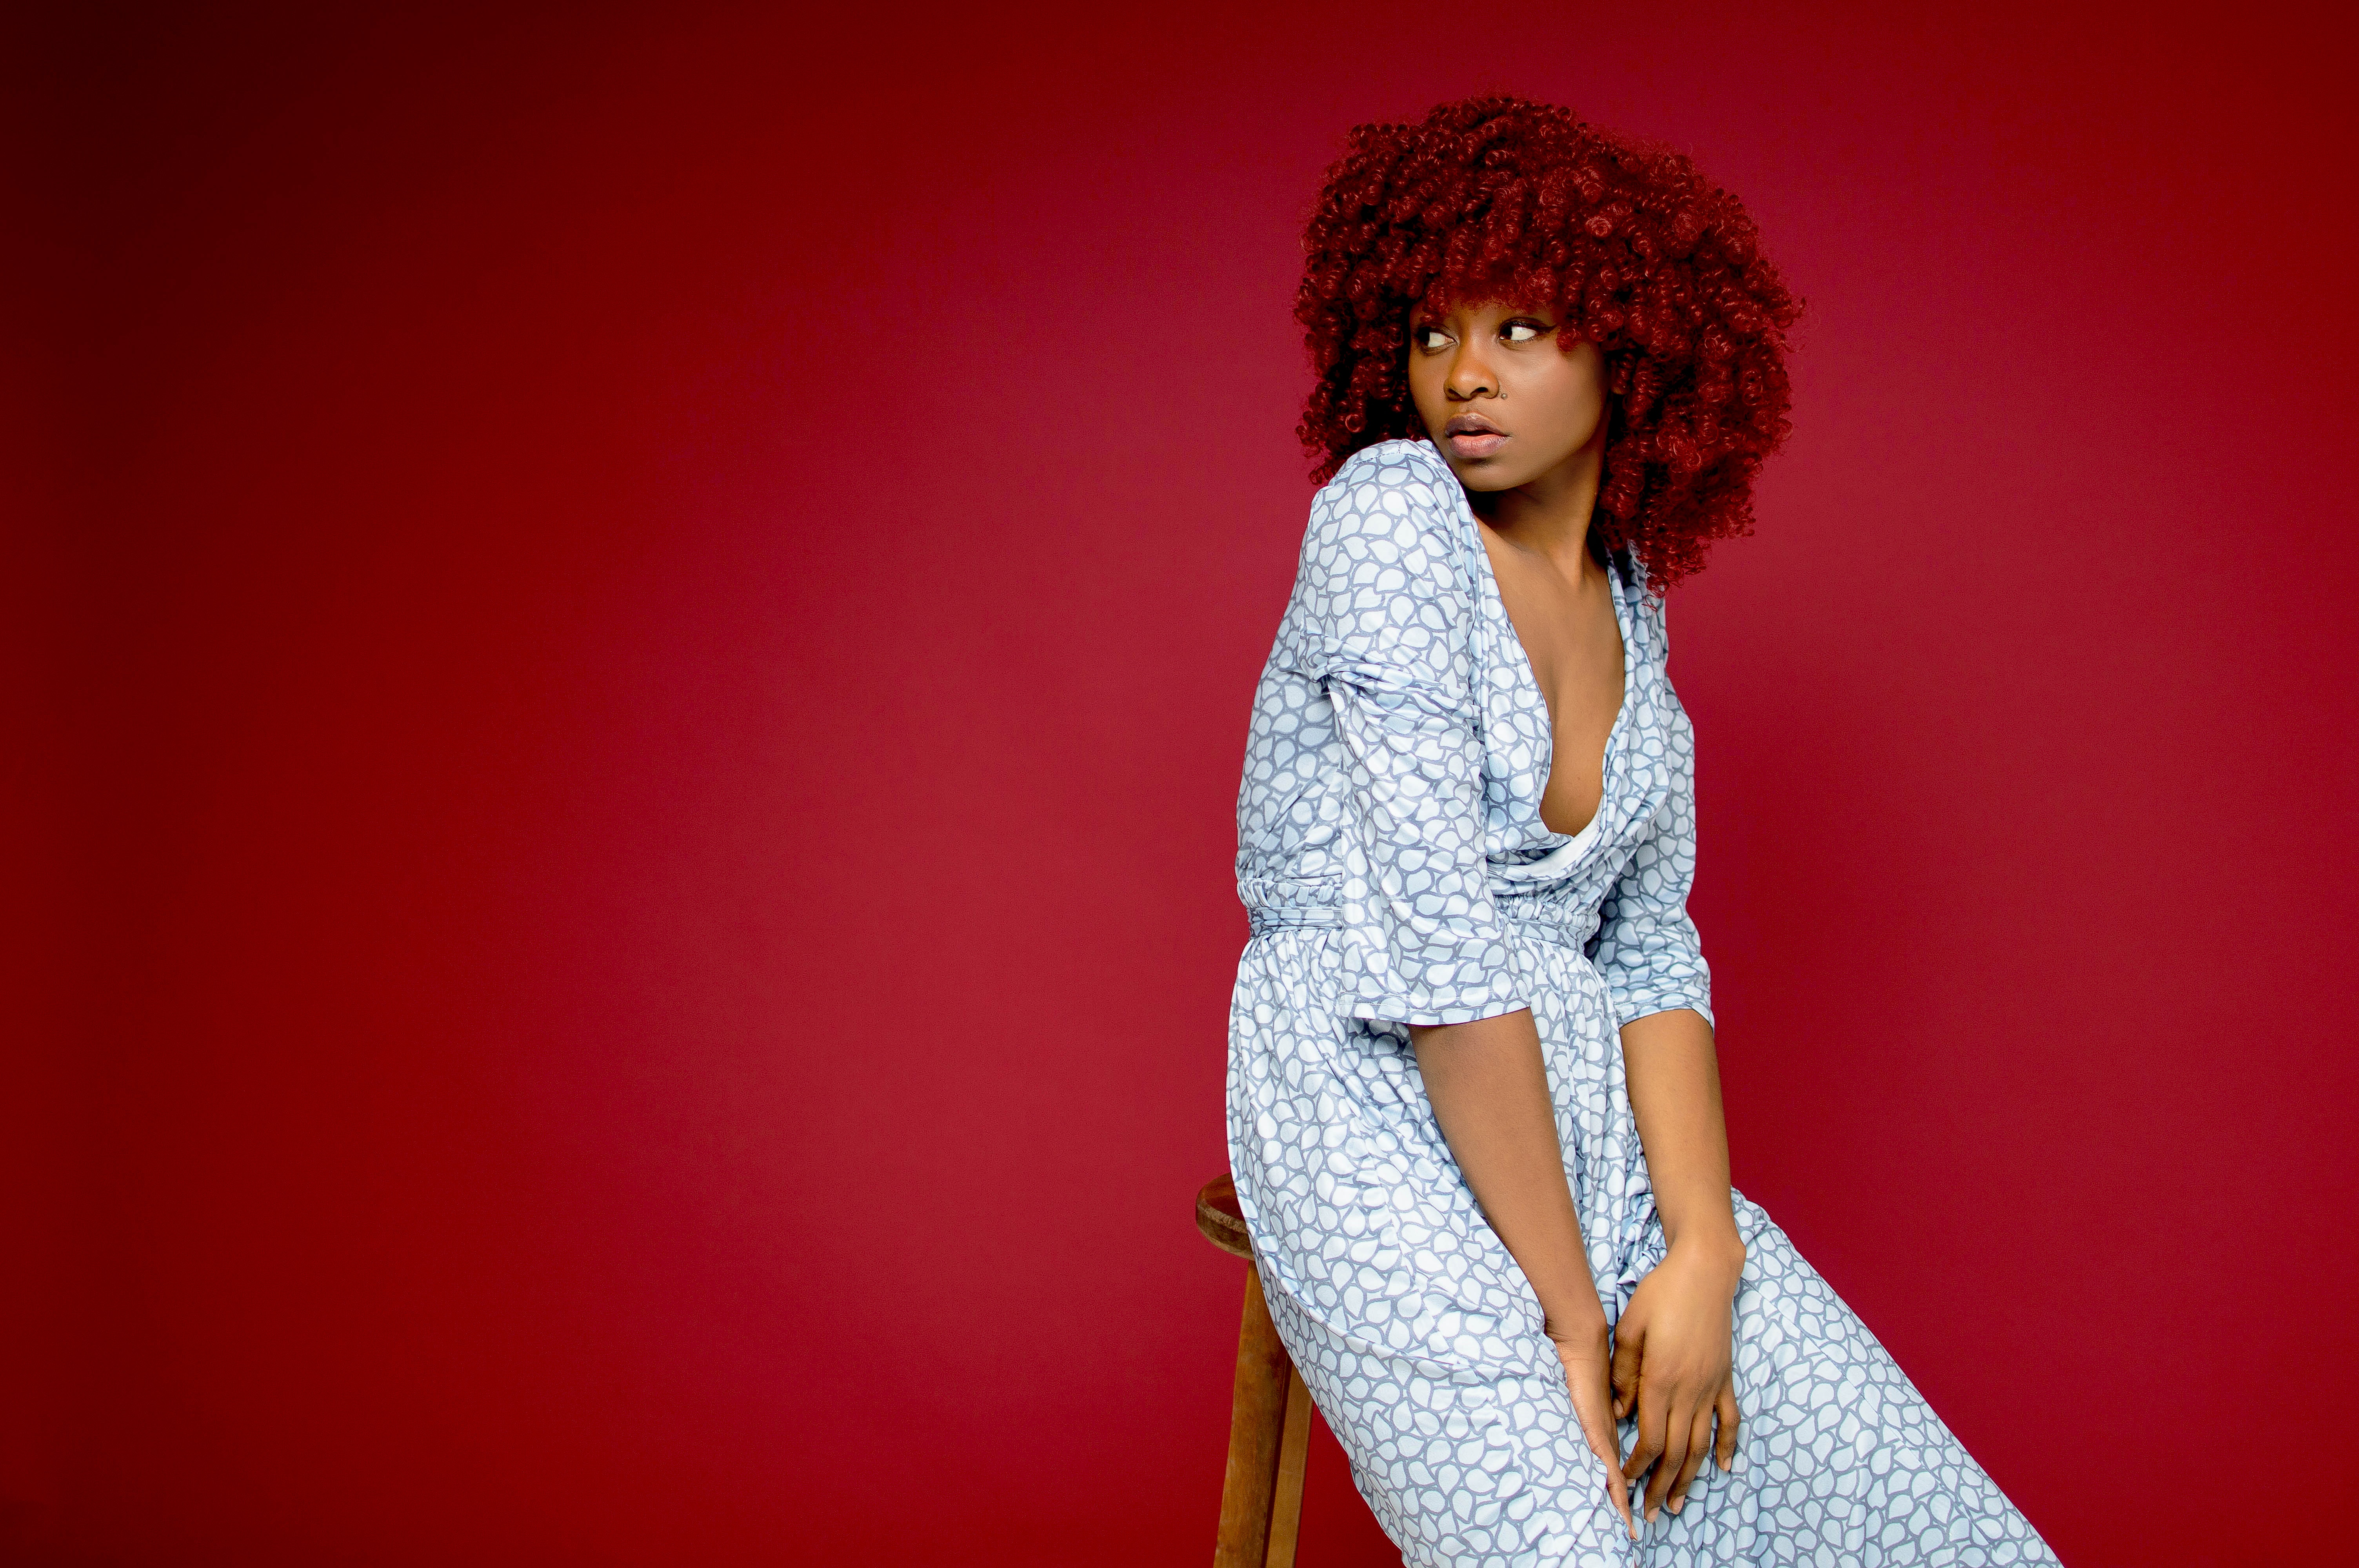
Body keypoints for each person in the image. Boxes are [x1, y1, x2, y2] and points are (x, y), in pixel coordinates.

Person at [1227, 95, 2059, 1566]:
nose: (1462, 377)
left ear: (1635, 344)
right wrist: (1569, 1316)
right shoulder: (1392, 519)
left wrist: (1700, 1255)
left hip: (1585, 1135)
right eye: (1430, 332)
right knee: (1570, 1547)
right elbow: (1441, 959)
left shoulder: (1630, 597)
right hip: (1374, 1115)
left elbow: (1649, 950)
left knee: (1932, 1531)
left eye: (1521, 330)